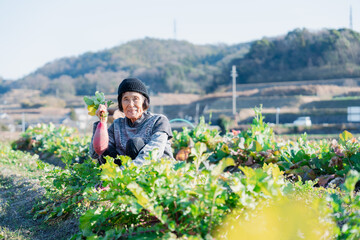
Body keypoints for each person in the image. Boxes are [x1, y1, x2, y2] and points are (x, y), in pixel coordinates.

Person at [89, 78, 173, 166]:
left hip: (155, 174)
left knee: (134, 143)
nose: (131, 104)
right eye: (126, 99)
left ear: (144, 101)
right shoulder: (117, 125)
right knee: (106, 149)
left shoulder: (159, 121)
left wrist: (124, 172)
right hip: (125, 174)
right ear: (121, 103)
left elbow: (153, 154)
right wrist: (102, 123)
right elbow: (95, 154)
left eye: (135, 99)